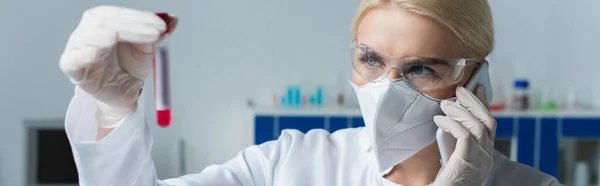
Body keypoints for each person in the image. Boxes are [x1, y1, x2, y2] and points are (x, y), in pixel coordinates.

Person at [58, 0, 562, 185]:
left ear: (477, 85)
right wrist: (113, 107)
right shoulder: (288, 165)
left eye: (422, 68)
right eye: (371, 60)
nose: (388, 89)